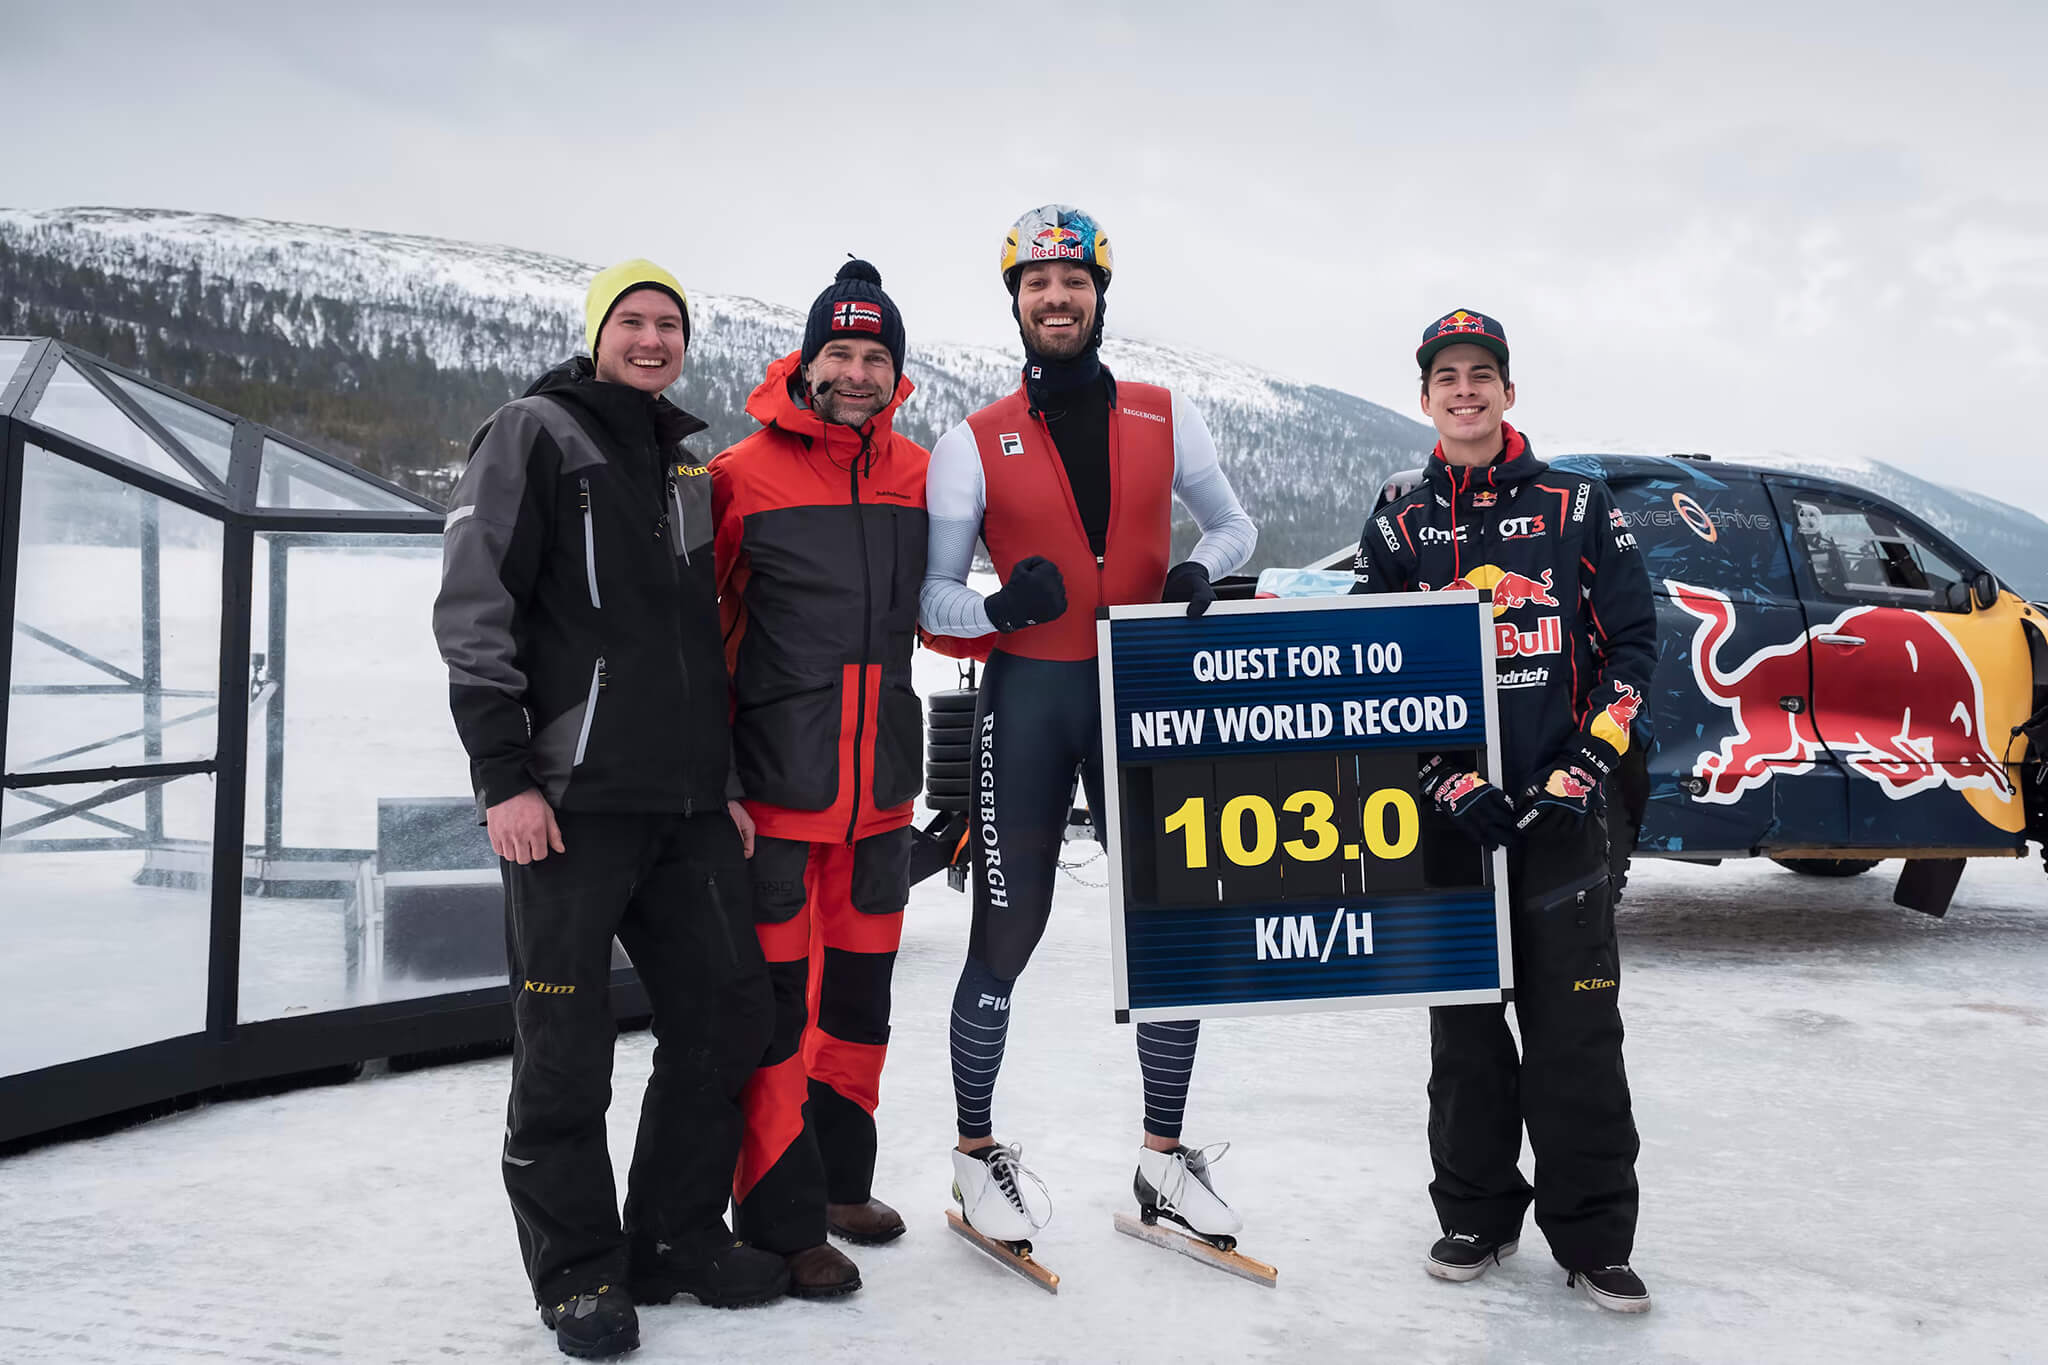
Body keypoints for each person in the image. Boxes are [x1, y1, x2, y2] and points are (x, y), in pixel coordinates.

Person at [433, 259, 787, 1358]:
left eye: (668, 323)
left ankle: (675, 1235)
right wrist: (503, 778)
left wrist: (722, 784)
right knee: (564, 1043)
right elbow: (475, 604)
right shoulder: (532, 433)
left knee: (726, 1016)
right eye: (630, 321)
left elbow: (693, 645)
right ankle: (579, 1272)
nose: (650, 338)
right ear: (596, 335)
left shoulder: (683, 466)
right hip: (569, 802)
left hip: (684, 805)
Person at [919, 205, 1258, 1247]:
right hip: (1026, 700)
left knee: (1172, 929)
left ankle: (1162, 1162)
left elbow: (1234, 522)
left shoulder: (1167, 414)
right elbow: (931, 601)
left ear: (1098, 295)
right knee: (1004, 937)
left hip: (1144, 700)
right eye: (1035, 285)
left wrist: (1205, 568)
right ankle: (977, 1159)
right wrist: (994, 613)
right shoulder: (970, 440)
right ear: (1015, 302)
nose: (1054, 299)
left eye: (1071, 283)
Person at [1350, 309, 1658, 1313]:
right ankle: (1475, 1217)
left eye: (1482, 374)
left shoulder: (1574, 501)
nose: (1465, 390)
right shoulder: (1397, 519)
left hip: (1565, 812)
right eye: (1446, 378)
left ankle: (1592, 1238)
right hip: (1451, 824)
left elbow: (1635, 648)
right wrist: (1441, 776)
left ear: (1507, 392)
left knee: (1576, 1036)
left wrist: (1584, 765)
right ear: (1426, 396)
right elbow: (1369, 671)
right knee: (1465, 1039)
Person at [711, 260, 929, 1297]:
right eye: (838, 352)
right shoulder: (738, 474)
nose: (854, 371)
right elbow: (696, 638)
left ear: (897, 373)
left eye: (873, 355)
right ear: (805, 362)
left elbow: (938, 615)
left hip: (880, 798)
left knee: (858, 1010)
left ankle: (842, 1186)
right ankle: (781, 1220)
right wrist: (716, 777)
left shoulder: (920, 475)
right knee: (778, 1017)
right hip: (776, 798)